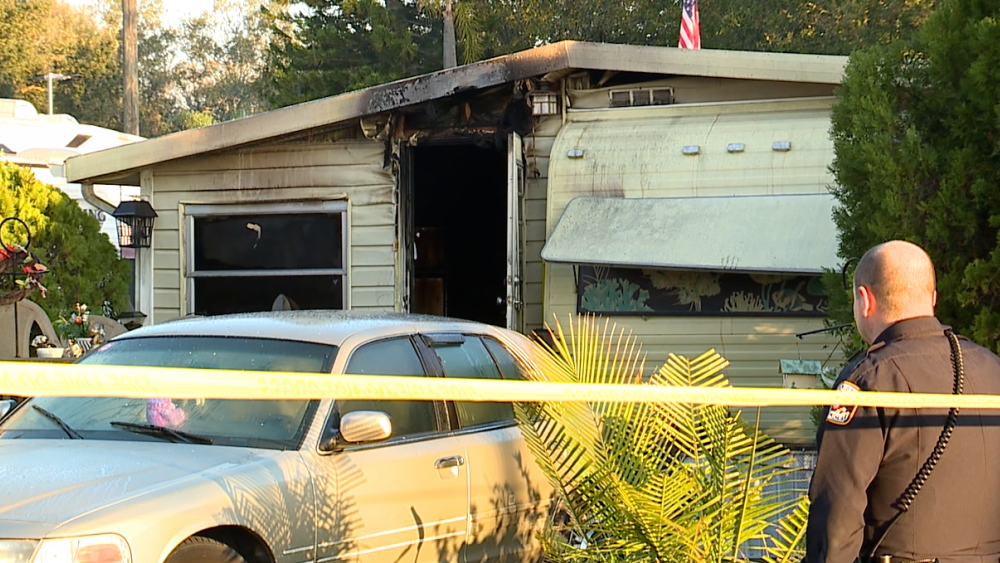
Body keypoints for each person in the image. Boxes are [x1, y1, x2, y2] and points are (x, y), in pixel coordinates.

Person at [807, 240, 1000, 563]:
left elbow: (837, 512)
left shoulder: (869, 381)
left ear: (865, 300)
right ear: (933, 298)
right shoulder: (992, 369)